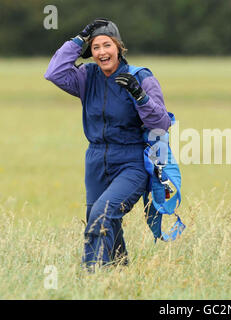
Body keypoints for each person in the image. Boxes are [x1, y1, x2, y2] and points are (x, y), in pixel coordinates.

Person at [45, 18, 171, 269]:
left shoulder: (140, 77)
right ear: (90, 52)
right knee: (101, 218)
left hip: (131, 160)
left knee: (102, 215)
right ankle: (118, 273)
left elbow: (161, 123)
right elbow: (54, 72)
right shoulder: (86, 76)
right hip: (95, 159)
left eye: (107, 45)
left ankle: (92, 277)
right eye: (95, 47)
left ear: (119, 47)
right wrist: (78, 40)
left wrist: (140, 96)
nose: (102, 52)